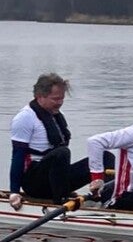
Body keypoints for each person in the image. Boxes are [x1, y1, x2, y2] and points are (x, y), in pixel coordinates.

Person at [8, 73, 90, 209]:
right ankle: (60, 202)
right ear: (40, 96)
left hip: (56, 179)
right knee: (62, 152)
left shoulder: (55, 116)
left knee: (104, 157)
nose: (60, 103)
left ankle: (109, 200)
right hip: (34, 183)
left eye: (62, 99)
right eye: (55, 99)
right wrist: (14, 192)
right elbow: (17, 156)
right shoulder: (25, 118)